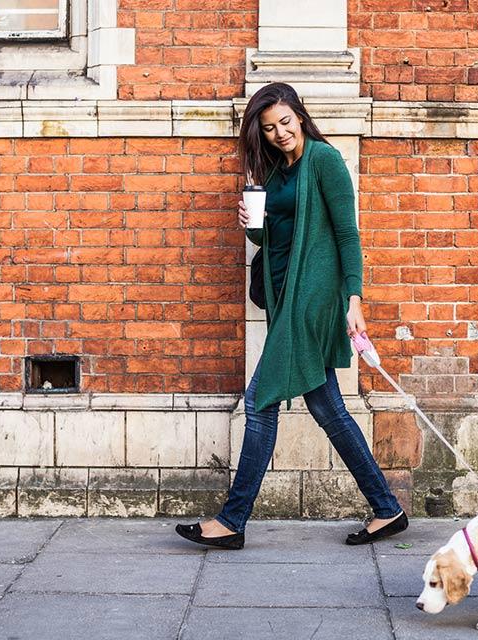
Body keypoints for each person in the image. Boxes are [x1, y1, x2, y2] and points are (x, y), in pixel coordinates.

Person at [175, 82, 408, 550]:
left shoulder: (324, 160)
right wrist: (253, 223)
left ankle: (232, 520)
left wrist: (354, 300)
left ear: (299, 115)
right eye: (269, 128)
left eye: (285, 121)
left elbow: (347, 234)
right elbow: (269, 242)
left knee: (260, 404)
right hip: (284, 299)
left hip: (312, 301)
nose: (280, 133)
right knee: (329, 410)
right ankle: (387, 509)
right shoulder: (277, 174)